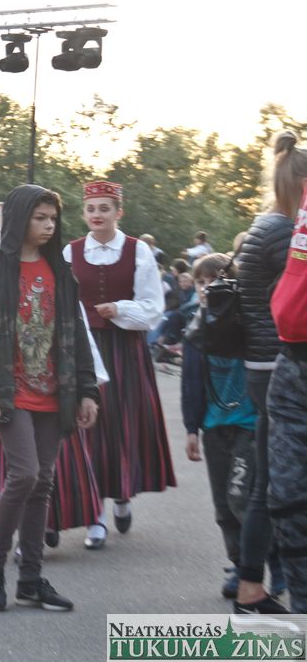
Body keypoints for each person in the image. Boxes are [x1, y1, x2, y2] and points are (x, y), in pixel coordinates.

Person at [0, 183, 99, 613]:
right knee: (24, 474)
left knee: (42, 483)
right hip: (9, 392)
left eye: (53, 218)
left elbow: (77, 335)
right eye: (40, 218)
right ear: (20, 219)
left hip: (55, 393)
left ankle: (31, 579)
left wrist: (87, 390)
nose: (48, 225)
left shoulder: (61, 272)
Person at [64, 180, 174, 550]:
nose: (97, 215)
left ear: (118, 212)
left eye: (104, 208)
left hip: (124, 348)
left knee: (122, 423)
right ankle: (94, 514)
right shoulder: (70, 251)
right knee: (87, 428)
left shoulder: (137, 250)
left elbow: (154, 308)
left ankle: (122, 493)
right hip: (83, 347)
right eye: (91, 208)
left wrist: (120, 309)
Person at [231, 131, 298, 614]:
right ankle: (253, 585)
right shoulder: (285, 235)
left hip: (261, 362)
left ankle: (254, 584)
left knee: (268, 480)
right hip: (281, 365)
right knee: (274, 482)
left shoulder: (263, 225)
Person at [182, 253, 258, 600]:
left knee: (241, 497)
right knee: (223, 507)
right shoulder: (194, 330)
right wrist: (191, 429)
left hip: (248, 425)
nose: (205, 287)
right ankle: (239, 562)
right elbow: (190, 385)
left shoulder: (247, 322)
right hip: (213, 427)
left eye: (213, 280)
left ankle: (259, 562)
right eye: (200, 282)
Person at [267, 135, 307, 614]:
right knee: (287, 497)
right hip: (291, 364)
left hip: (289, 365)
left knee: (287, 497)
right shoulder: (291, 227)